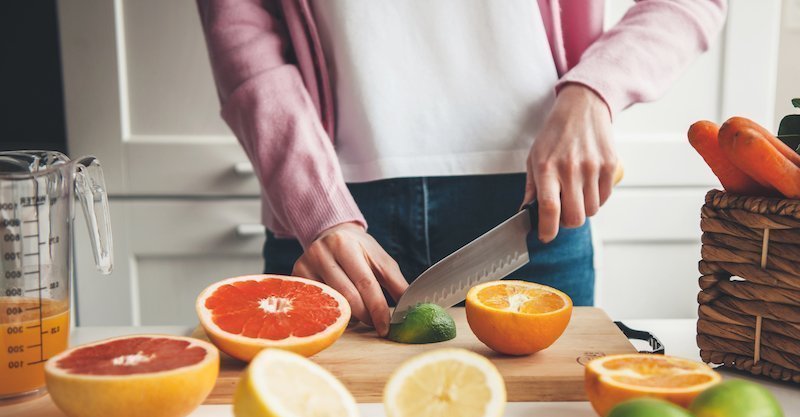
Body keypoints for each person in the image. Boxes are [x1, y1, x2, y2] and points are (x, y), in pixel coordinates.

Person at [197, 0, 726, 336]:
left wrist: (594, 92)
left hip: (534, 205)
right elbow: (237, 24)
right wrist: (312, 204)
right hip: (330, 226)